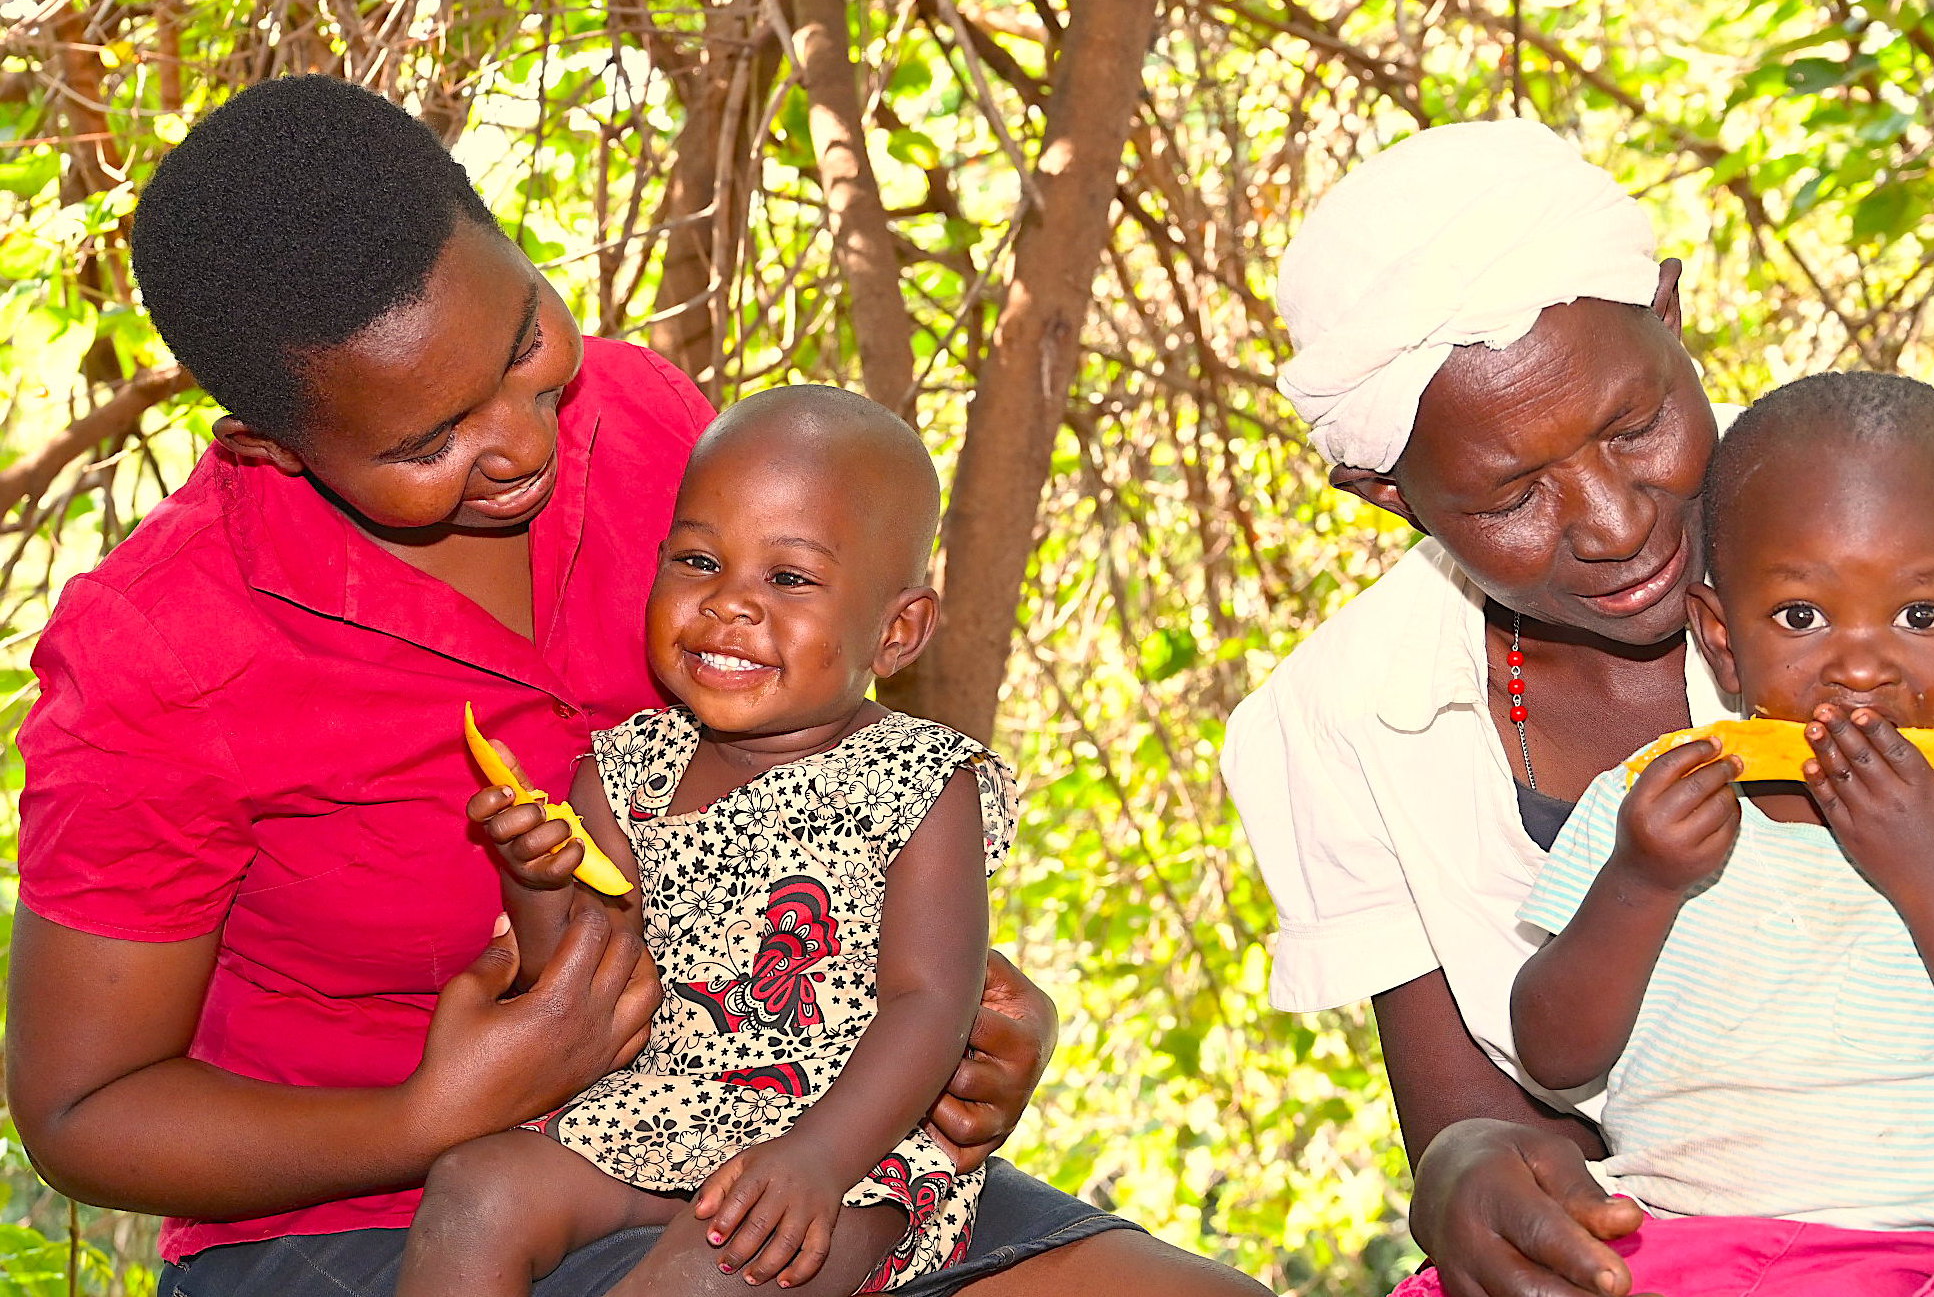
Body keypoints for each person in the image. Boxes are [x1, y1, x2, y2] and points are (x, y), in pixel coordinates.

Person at [6, 75, 1270, 1297]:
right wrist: (427, 1116)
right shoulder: (160, 654)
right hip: (373, 1221)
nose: (521, 440)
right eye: (425, 443)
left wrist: (964, 1027)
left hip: (763, 1130)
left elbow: (829, 795)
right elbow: (81, 1112)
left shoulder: (653, 425)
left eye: (522, 343)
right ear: (269, 444)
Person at [1223, 118, 1934, 1297]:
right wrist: (1464, 1165)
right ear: (1384, 493)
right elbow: (1508, 1138)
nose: (1614, 525)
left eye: (1633, 428)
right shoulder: (1346, 721)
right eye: (1506, 493)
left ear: (1669, 315)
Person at [1463, 372, 1934, 1295]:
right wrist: (1641, 883)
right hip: (1675, 1253)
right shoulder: (1654, 807)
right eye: (1800, 615)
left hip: (1929, 1263)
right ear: (1722, 639)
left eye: (1921, 615)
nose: (1860, 663)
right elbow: (1551, 1054)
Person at [400, 386, 1014, 1297]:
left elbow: (932, 1001)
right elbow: (578, 976)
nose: (729, 604)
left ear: (897, 631)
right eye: (698, 560)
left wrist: (816, 1156)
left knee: (708, 1269)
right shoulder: (623, 770)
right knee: (474, 1189)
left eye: (790, 578)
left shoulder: (925, 782)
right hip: (656, 1108)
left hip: (847, 1144)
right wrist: (535, 878)